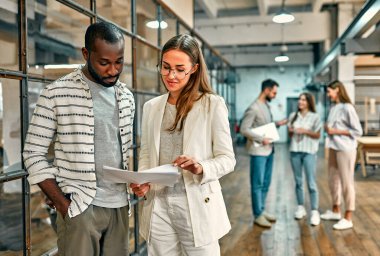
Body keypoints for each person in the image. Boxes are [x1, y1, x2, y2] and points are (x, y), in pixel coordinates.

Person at [23, 22, 134, 255]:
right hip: (80, 207)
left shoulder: (126, 97)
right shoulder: (55, 93)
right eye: (104, 63)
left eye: (119, 62)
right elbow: (33, 153)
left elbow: (122, 151)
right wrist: (62, 202)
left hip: (121, 206)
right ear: (86, 54)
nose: (113, 70)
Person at [130, 34, 235, 255]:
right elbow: (148, 153)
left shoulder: (212, 104)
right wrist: (143, 180)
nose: (171, 75)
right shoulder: (151, 107)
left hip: (196, 202)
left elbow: (227, 159)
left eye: (180, 69)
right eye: (166, 67)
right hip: (158, 205)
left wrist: (201, 167)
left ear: (194, 68)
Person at [240, 79, 287, 228]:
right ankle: (257, 215)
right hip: (258, 152)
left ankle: (261, 210)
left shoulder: (266, 106)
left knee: (266, 183)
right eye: (274, 92)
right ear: (266, 90)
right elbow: (244, 129)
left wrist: (278, 124)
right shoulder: (253, 108)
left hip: (269, 151)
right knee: (257, 184)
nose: (274, 95)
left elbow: (264, 125)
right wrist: (261, 138)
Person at [320, 80, 362, 230]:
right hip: (333, 147)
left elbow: (358, 131)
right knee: (333, 180)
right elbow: (333, 127)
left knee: (346, 182)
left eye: (329, 91)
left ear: (337, 90)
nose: (328, 94)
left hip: (346, 149)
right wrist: (328, 128)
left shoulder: (347, 108)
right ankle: (335, 210)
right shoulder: (334, 107)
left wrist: (335, 131)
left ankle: (348, 217)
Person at [288, 93, 322, 225]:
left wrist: (305, 131)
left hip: (309, 152)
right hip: (295, 151)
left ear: (309, 102)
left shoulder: (315, 117)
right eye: (299, 99)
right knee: (298, 181)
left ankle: (314, 211)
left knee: (311, 182)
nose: (300, 102)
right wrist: (291, 130)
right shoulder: (293, 116)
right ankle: (300, 207)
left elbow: (318, 135)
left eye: (303, 100)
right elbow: (290, 134)